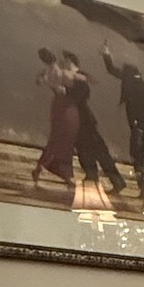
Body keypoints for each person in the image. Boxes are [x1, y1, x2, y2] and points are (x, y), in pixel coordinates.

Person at [60, 50, 125, 194]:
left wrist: (66, 93)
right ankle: (93, 176)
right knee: (85, 150)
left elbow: (81, 96)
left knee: (98, 150)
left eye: (64, 60)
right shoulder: (74, 78)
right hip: (79, 119)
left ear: (70, 62)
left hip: (84, 120)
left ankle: (115, 180)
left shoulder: (79, 78)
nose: (62, 63)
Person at [102, 45, 144, 200]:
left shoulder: (133, 86)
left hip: (140, 129)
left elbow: (113, 70)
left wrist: (106, 54)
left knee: (139, 159)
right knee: (143, 161)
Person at [32, 48, 79, 191]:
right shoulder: (57, 72)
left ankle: (43, 169)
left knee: (58, 139)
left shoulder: (47, 71)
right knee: (61, 139)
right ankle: (51, 171)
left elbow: (40, 80)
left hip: (59, 106)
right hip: (63, 106)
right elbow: (62, 89)